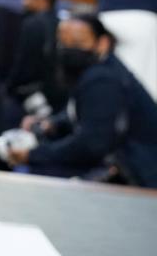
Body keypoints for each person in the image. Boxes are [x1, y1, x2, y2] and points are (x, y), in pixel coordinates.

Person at [10, 15, 157, 188]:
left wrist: (33, 154)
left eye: (78, 42)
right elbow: (84, 113)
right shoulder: (98, 69)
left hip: (139, 179)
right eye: (63, 42)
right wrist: (52, 123)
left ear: (102, 43)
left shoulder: (103, 80)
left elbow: (91, 144)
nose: (68, 48)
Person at [5, 0, 65, 118]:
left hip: (33, 91)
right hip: (56, 90)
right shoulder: (60, 21)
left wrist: (10, 85)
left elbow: (24, 60)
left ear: (43, 1)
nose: (24, 0)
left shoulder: (32, 24)